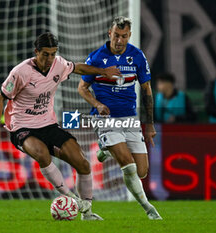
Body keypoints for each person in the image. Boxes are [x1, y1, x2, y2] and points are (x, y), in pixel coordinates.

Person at [0, 32, 121, 221]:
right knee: (42, 154)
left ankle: (88, 214)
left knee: (82, 163)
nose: (50, 58)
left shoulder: (58, 64)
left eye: (53, 53)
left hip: (48, 124)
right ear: (36, 52)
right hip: (21, 127)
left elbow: (78, 68)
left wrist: (103, 71)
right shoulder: (20, 72)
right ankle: (72, 199)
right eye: (45, 54)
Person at [78, 16, 162, 220]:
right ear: (110, 33)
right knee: (129, 165)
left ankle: (106, 151)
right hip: (105, 119)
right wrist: (97, 104)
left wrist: (150, 124)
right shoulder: (97, 57)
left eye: (124, 36)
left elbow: (147, 89)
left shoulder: (137, 56)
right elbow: (82, 88)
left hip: (129, 118)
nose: (119, 40)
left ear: (129, 36)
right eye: (116, 35)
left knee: (142, 171)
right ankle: (149, 209)